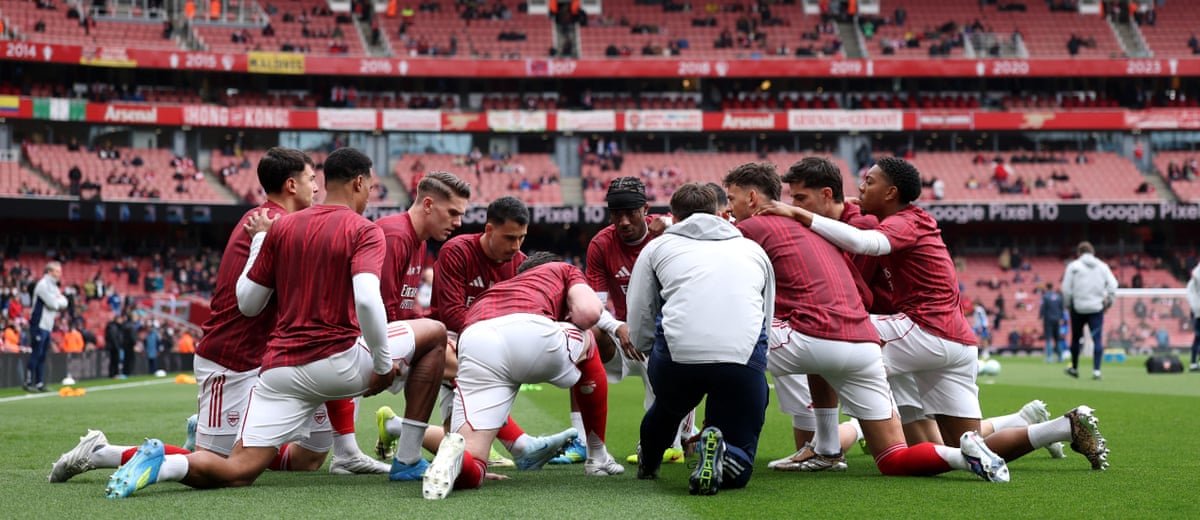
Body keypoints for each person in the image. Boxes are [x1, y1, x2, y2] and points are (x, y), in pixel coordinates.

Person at [104, 147, 429, 498]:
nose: (316, 188)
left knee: (304, 459)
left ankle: (347, 450)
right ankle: (103, 453)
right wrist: (383, 363)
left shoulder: (286, 224)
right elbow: (248, 305)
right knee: (219, 461)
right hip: (234, 359)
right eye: (309, 180)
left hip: (276, 360)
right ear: (292, 185)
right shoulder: (271, 225)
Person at [756, 157, 1109, 472]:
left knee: (827, 334)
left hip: (922, 329)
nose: (861, 187)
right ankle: (1064, 426)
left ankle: (829, 448)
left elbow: (868, 244)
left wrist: (802, 214)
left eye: (870, 182)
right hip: (953, 340)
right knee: (964, 446)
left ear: (891, 192)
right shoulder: (886, 218)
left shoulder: (902, 221)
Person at [422, 252, 616, 500]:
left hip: (474, 339)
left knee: (475, 461)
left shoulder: (497, 289)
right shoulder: (562, 270)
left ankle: (459, 460)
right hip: (531, 331)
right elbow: (588, 313)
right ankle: (597, 456)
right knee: (588, 339)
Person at [626, 183, 774, 495]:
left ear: (674, 218)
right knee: (739, 444)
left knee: (667, 408)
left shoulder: (656, 248)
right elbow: (765, 316)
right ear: (722, 214)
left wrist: (644, 349)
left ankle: (650, 460)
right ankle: (725, 452)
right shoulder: (753, 250)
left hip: (678, 360)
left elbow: (640, 311)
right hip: (741, 359)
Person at [420, 195, 575, 468]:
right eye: (509, 238)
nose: (516, 247)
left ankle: (397, 428)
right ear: (489, 229)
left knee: (455, 437)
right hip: (447, 339)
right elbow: (451, 312)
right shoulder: (457, 251)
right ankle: (522, 445)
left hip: (488, 345)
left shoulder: (521, 264)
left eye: (521, 238)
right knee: (462, 421)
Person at [585, 176, 691, 465]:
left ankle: (671, 441)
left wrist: (670, 226)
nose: (623, 221)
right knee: (584, 335)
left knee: (660, 352)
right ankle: (584, 442)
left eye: (630, 213)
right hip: (623, 335)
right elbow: (594, 304)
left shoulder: (672, 231)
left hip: (667, 330)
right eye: (616, 214)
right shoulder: (601, 244)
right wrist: (618, 326)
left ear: (645, 209)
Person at [371, 170, 470, 481]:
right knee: (467, 365)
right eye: (452, 213)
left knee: (306, 457)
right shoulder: (395, 236)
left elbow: (402, 309)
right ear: (428, 204)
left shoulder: (417, 240)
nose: (458, 223)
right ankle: (482, 450)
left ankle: (463, 448)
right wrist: (433, 336)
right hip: (356, 346)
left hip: (376, 340)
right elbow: (379, 313)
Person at [1061, 241, 1119, 380]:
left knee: (1076, 339)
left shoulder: (1073, 266)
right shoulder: (1102, 266)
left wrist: (1069, 305)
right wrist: (1108, 303)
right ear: (1093, 252)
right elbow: (1113, 286)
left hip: (1078, 308)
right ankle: (1096, 371)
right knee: (1097, 340)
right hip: (1096, 308)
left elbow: (1066, 289)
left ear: (1079, 253)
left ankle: (1074, 368)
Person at [25, 261, 68, 392]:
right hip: (39, 324)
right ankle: (28, 382)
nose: (60, 274)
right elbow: (53, 304)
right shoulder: (43, 285)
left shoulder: (54, 287)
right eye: (57, 271)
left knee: (43, 354)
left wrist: (58, 301)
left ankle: (39, 383)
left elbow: (64, 302)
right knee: (36, 353)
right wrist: (58, 301)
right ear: (49, 272)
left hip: (48, 325)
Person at [1039, 282, 1066, 363]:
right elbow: (1062, 308)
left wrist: (1040, 317)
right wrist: (1061, 318)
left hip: (1048, 320)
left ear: (1046, 288)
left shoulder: (1045, 297)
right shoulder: (1058, 297)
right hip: (1057, 319)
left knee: (1048, 339)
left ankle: (1049, 357)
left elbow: (1043, 308)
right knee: (1057, 339)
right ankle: (1060, 357)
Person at [1187, 262, 1200, 371]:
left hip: (1196, 311)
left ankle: (1193, 362)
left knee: (1197, 338)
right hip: (1198, 311)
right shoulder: (1197, 274)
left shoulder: (1191, 284)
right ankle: (1194, 363)